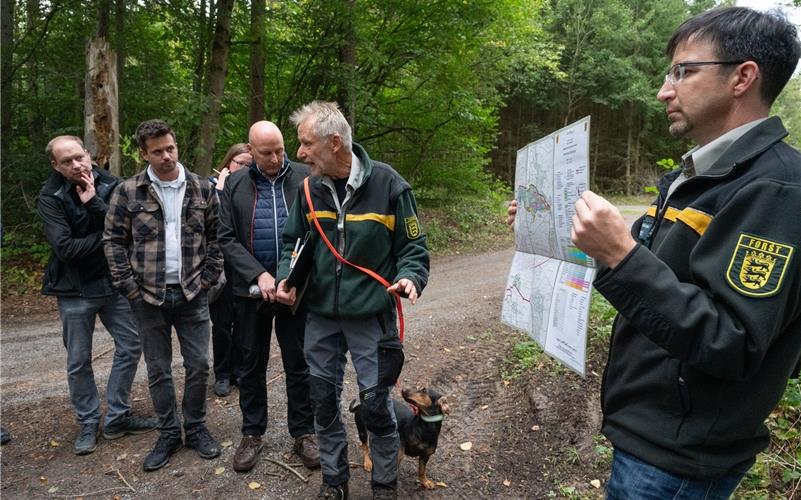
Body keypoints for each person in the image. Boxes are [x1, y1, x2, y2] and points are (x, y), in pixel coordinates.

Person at [514, 7, 800, 499]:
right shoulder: (699, 175)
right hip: (651, 436)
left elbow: (731, 341)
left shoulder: (776, 188)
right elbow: (653, 275)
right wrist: (561, 231)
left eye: (683, 72)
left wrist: (623, 254)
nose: (664, 90)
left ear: (743, 77)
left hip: (681, 458)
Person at [275, 101, 430, 500]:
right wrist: (285, 277)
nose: (300, 154)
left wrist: (410, 278)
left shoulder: (389, 184)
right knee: (323, 404)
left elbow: (414, 247)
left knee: (376, 407)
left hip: (372, 319)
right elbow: (293, 242)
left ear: (335, 142)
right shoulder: (308, 189)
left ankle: (384, 486)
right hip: (320, 318)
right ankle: (334, 481)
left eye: (307, 144)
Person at [103, 119, 224, 472]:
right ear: (144, 154)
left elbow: (217, 237)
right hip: (148, 297)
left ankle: (197, 427)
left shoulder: (203, 188)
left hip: (192, 293)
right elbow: (112, 241)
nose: (167, 156)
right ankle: (169, 431)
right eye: (157, 151)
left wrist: (207, 279)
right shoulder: (128, 191)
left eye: (170, 148)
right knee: (158, 369)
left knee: (200, 365)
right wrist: (129, 287)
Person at [37, 135, 157, 456]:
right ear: (56, 166)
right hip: (74, 289)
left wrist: (94, 204)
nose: (76, 165)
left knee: (131, 345)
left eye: (79, 157)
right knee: (79, 359)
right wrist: (108, 237)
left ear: (88, 154)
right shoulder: (51, 196)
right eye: (67, 161)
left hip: (113, 281)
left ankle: (118, 416)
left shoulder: (112, 184)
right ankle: (89, 420)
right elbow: (65, 249)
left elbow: (133, 229)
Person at [217, 121, 319, 472]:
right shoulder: (235, 183)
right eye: (266, 152)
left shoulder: (306, 177)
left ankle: (304, 432)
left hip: (295, 292)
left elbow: (317, 231)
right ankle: (251, 433)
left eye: (280, 150)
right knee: (250, 363)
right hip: (250, 293)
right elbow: (226, 237)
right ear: (250, 149)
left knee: (300, 362)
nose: (276, 157)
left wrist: (292, 279)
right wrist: (259, 274)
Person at [208, 143, 252, 397]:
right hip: (220, 268)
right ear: (227, 163)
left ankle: (240, 371)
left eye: (249, 164)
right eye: (240, 163)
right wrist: (221, 191)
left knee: (245, 323)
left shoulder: (253, 187)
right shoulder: (211, 188)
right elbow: (213, 225)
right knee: (223, 324)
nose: (244, 168)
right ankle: (222, 373)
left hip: (245, 267)